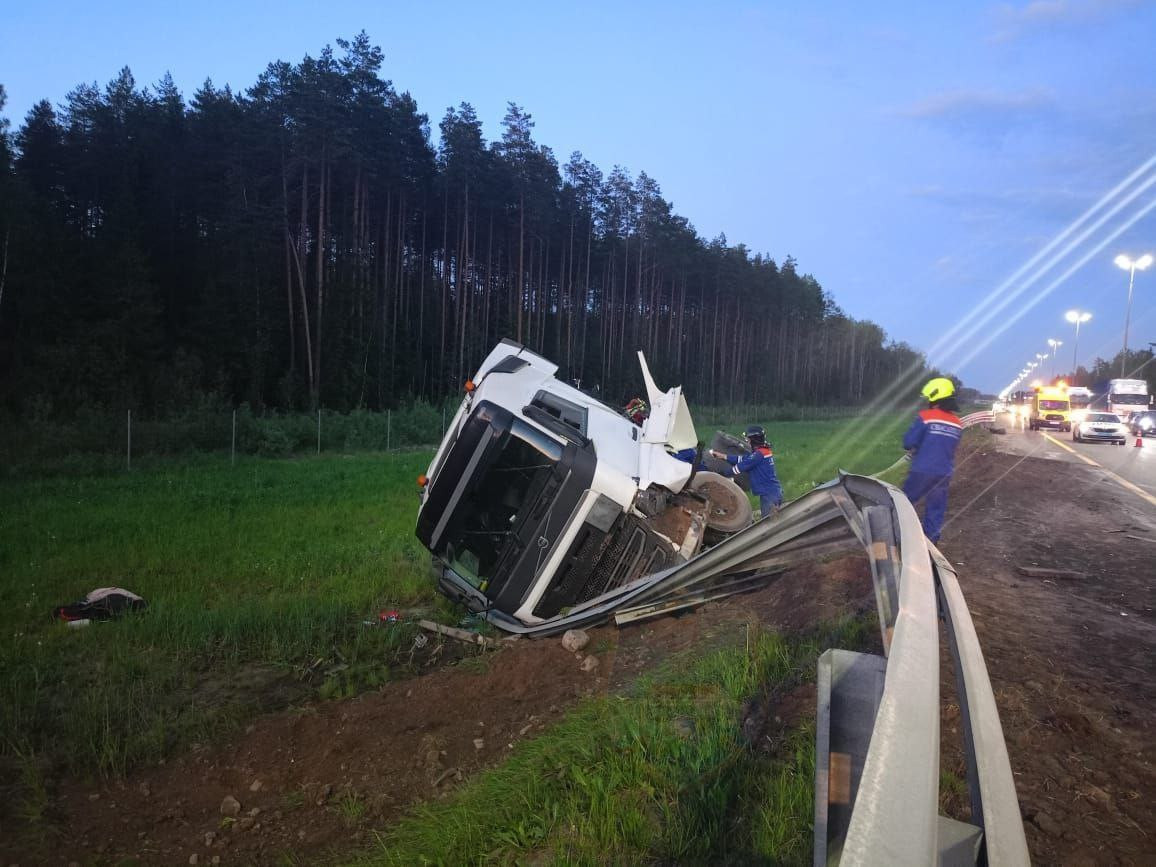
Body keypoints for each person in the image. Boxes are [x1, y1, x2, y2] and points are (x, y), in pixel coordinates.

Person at [902, 377, 963, 543]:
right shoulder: (957, 423)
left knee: (903, 504)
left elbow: (909, 442)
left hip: (922, 470)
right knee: (936, 509)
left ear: (935, 397)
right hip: (944, 473)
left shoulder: (926, 416)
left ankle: (899, 538)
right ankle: (931, 544)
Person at [709, 425, 783, 517]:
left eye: (748, 439)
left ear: (754, 439)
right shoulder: (763, 452)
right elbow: (742, 459)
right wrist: (723, 456)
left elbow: (740, 467)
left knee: (769, 523)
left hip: (769, 495)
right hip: (771, 492)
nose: (747, 441)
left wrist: (721, 474)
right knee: (772, 520)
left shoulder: (758, 455)